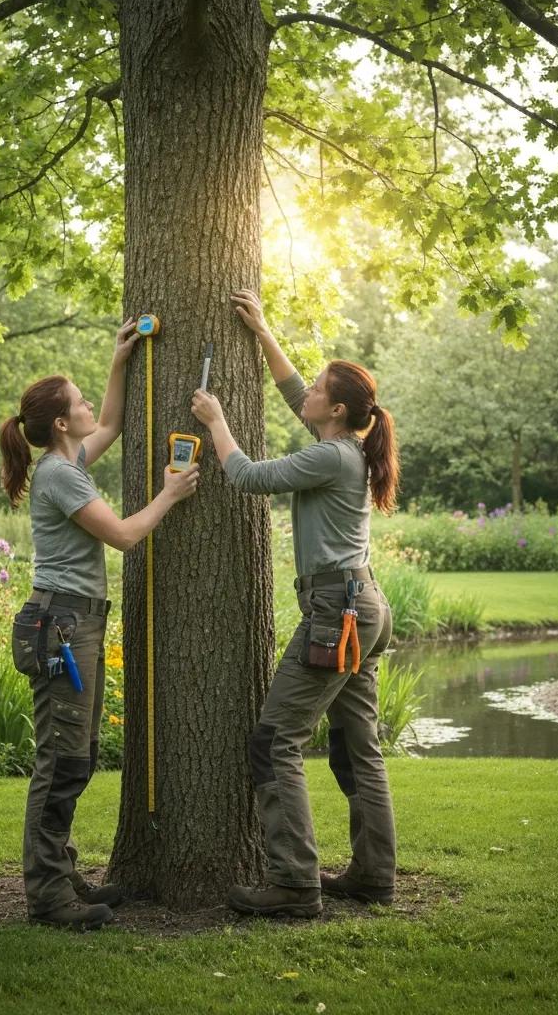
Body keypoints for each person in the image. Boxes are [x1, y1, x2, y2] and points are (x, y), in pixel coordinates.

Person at [191, 289, 400, 918]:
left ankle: (293, 882)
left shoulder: (331, 456)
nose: (303, 391)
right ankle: (373, 877)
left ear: (335, 409)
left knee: (274, 738)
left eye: (316, 388)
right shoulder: (345, 447)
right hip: (363, 606)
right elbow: (292, 394)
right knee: (356, 746)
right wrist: (260, 332)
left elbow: (249, 477)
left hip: (337, 611)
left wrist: (215, 421)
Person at [0, 318, 199, 930]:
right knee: (60, 762)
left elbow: (110, 424)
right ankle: (47, 896)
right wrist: (169, 494)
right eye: (79, 400)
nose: (90, 405)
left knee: (78, 756)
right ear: (60, 423)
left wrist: (120, 362)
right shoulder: (60, 474)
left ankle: (59, 872)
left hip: (73, 621)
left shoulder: (70, 460)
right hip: (61, 624)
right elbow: (123, 537)